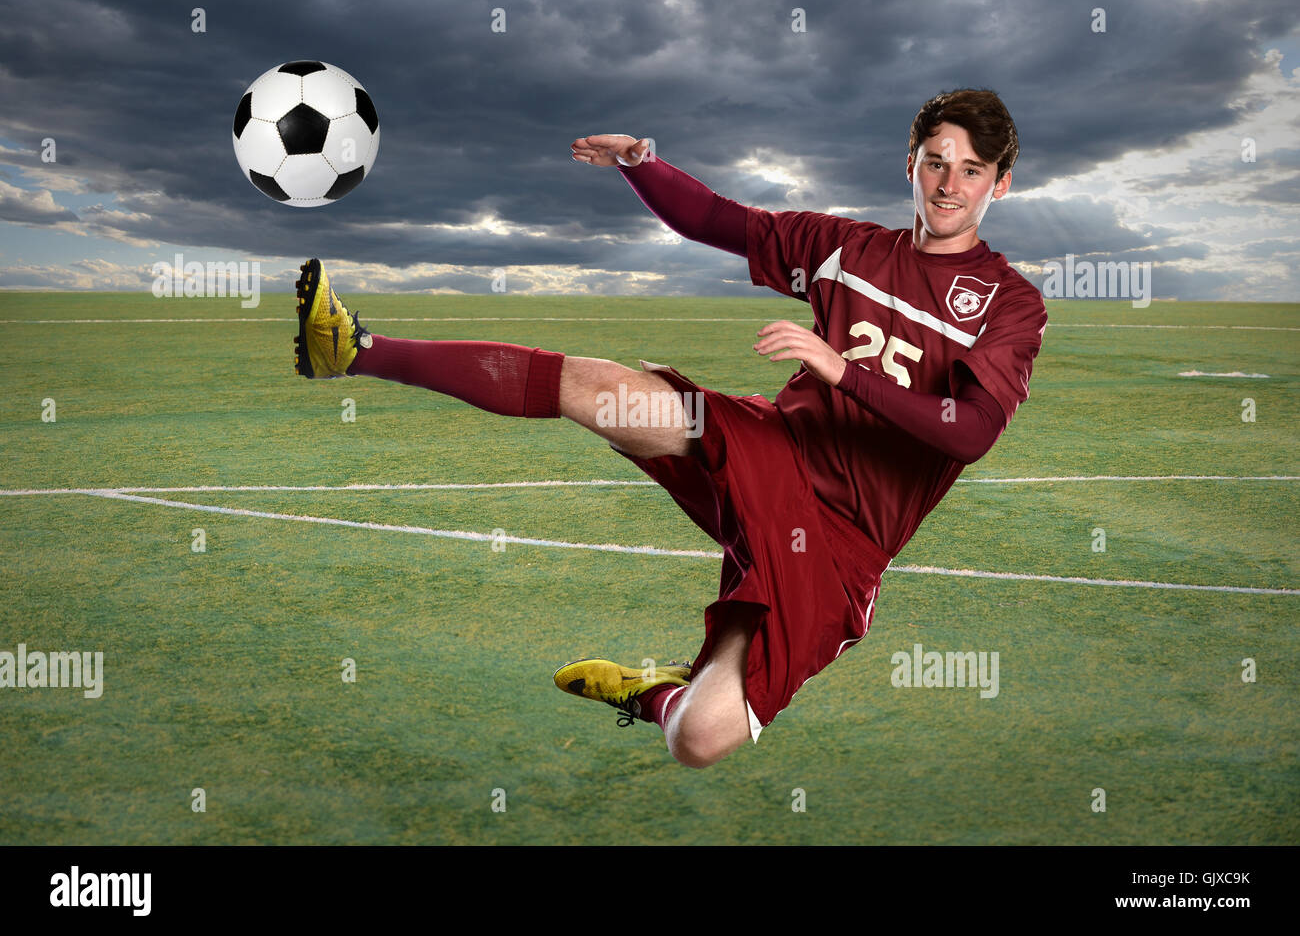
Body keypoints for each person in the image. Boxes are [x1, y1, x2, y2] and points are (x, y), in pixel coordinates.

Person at [291, 88, 1048, 770]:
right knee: (597, 388)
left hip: (845, 548)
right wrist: (643, 164)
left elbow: (971, 430)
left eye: (973, 170)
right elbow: (719, 221)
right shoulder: (846, 248)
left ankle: (653, 693)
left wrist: (842, 369)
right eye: (936, 162)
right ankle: (353, 349)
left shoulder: (1011, 305)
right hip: (770, 446)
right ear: (909, 164)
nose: (950, 184)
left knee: (700, 737)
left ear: (1000, 183)